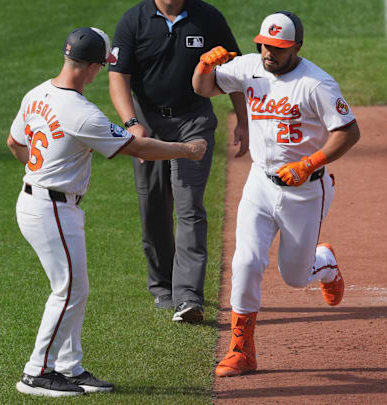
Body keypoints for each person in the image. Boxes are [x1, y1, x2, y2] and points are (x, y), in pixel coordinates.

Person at [7, 27, 207, 397]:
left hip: (38, 201)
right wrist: (186, 149)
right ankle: (36, 372)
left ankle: (69, 367)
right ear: (93, 66)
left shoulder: (37, 93)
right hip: (51, 208)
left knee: (75, 289)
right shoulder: (82, 114)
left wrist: (41, 171)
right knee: (67, 290)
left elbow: (15, 143)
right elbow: (140, 149)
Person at [192, 11, 361, 376]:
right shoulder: (249, 67)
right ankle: (241, 350)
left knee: (295, 277)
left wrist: (307, 163)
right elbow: (203, 89)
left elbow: (348, 132)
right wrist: (204, 66)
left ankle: (325, 263)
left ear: (296, 47)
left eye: (279, 48)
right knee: (245, 262)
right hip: (260, 183)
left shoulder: (317, 84)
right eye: (265, 45)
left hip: (306, 191)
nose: (270, 53)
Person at [109, 0, 249, 323]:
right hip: (149, 121)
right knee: (153, 204)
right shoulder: (134, 21)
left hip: (194, 121)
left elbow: (236, 71)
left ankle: (188, 296)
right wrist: (131, 123)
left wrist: (242, 120)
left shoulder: (208, 18)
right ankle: (162, 286)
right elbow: (119, 76)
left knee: (189, 206)